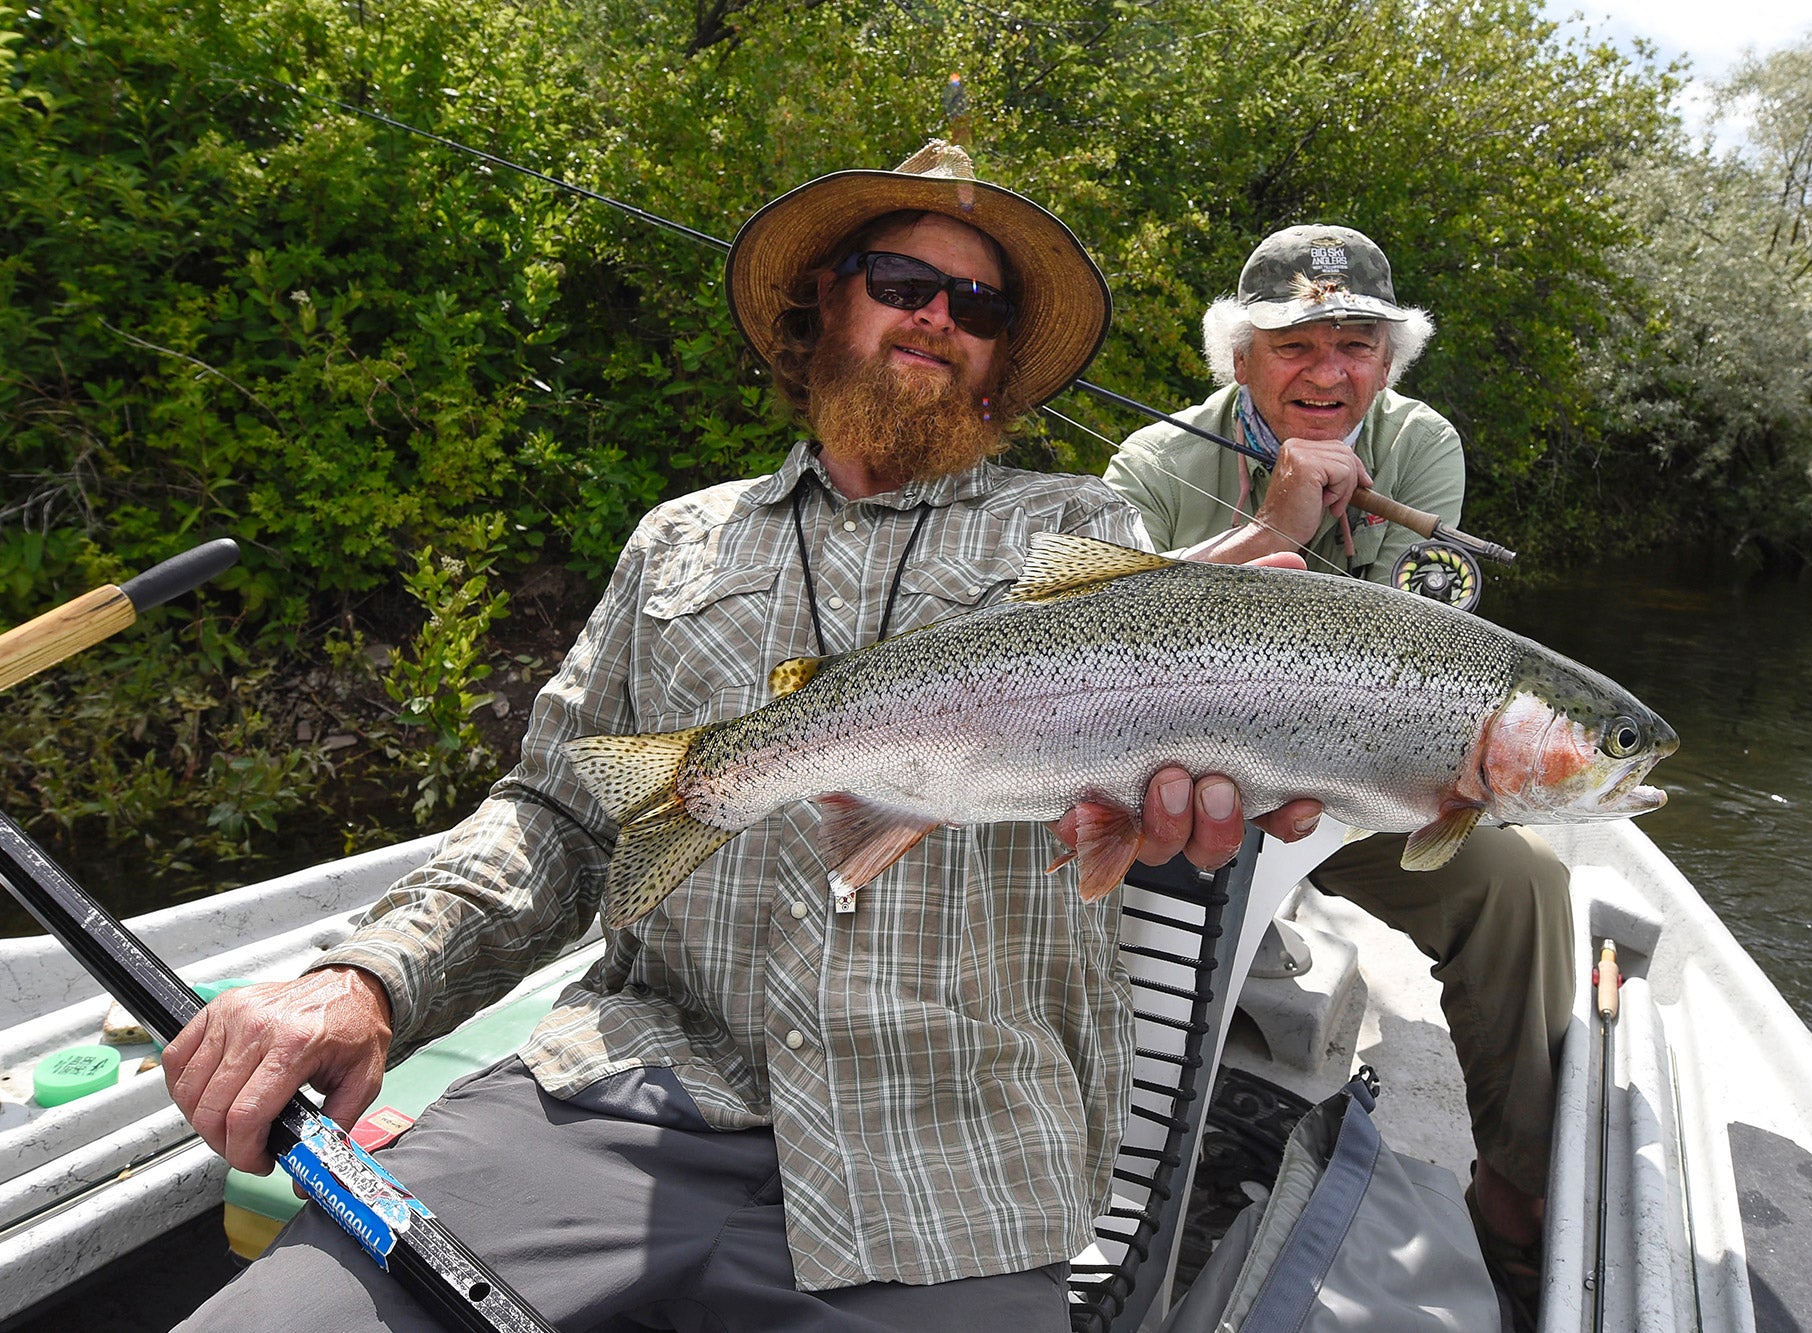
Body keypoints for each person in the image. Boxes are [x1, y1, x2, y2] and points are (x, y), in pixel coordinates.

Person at [161, 143, 1321, 1332]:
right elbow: (554, 814)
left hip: (953, 1155)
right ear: (821, 301)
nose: (937, 318)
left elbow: (1181, 730)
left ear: (996, 362)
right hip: (623, 1098)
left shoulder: (1080, 527)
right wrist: (368, 978)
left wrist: (1233, 775)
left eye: (978, 305)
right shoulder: (677, 543)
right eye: (899, 280)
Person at [1104, 224, 1574, 1328]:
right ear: (1239, 359)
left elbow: (1432, 646)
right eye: (1293, 342)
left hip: (1364, 789)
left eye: (1354, 344)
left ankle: (1511, 1184)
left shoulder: (1421, 449)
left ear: (1387, 360)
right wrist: (1269, 529)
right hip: (1164, 783)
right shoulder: (1147, 465)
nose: (1326, 371)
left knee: (1526, 885)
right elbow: (1084, 630)